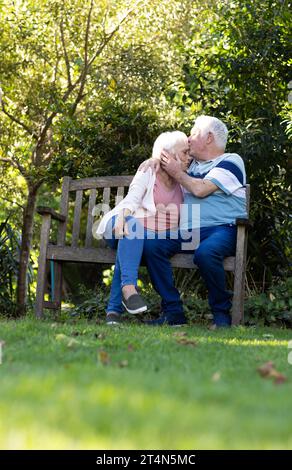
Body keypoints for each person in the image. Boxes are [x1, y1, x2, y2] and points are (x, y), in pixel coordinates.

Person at [141, 115, 247, 327]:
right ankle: (173, 313)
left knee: (206, 253)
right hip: (188, 232)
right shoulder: (191, 165)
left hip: (222, 230)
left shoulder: (230, 161)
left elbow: (200, 189)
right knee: (152, 245)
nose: (188, 139)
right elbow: (166, 164)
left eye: (193, 133)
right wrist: (155, 160)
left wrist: (176, 172)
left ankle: (221, 315)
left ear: (209, 138)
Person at [92, 131, 190, 325]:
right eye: (185, 152)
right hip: (121, 224)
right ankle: (129, 288)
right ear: (165, 156)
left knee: (131, 242)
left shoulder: (184, 182)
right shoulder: (149, 171)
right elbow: (133, 197)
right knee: (133, 228)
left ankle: (113, 313)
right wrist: (123, 216)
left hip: (141, 238)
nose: (189, 157)